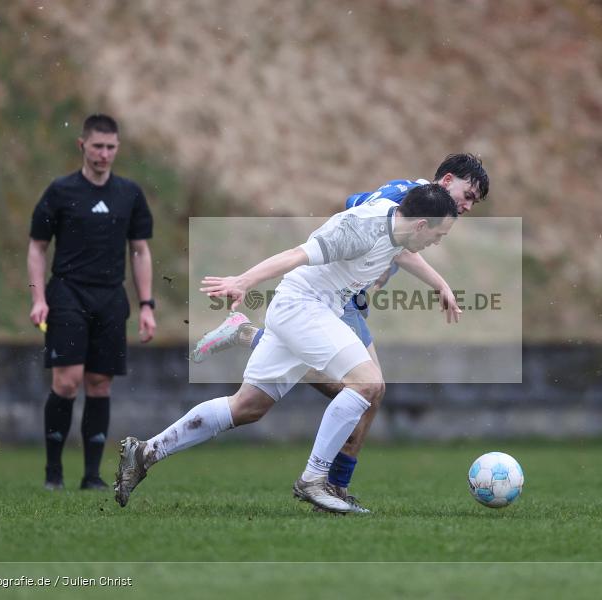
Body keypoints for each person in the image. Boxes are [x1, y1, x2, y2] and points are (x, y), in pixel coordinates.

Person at [114, 183, 460, 512]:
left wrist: (439, 283)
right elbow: (297, 255)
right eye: (438, 235)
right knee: (367, 384)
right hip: (303, 308)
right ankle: (313, 479)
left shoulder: (399, 228)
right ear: (420, 225)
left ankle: (146, 452)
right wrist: (243, 281)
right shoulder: (361, 229)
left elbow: (402, 251)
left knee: (247, 406)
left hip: (309, 310)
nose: (438, 242)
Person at [189, 154, 489, 510]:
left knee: (369, 391)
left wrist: (438, 283)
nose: (468, 206)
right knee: (362, 387)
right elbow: (356, 215)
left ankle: (334, 485)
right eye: (468, 195)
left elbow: (374, 223)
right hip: (331, 299)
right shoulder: (402, 200)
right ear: (447, 180)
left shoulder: (418, 201)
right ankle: (323, 481)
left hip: (348, 297)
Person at [28, 114, 156, 491]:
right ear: (82, 145)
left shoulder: (129, 194)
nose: (104, 154)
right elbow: (37, 247)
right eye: (97, 146)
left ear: (117, 148)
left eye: (111, 147)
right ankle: (53, 473)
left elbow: (140, 251)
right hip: (67, 292)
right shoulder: (60, 191)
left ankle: (92, 476)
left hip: (110, 296)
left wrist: (147, 304)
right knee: (66, 382)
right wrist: (38, 298)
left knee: (100, 383)